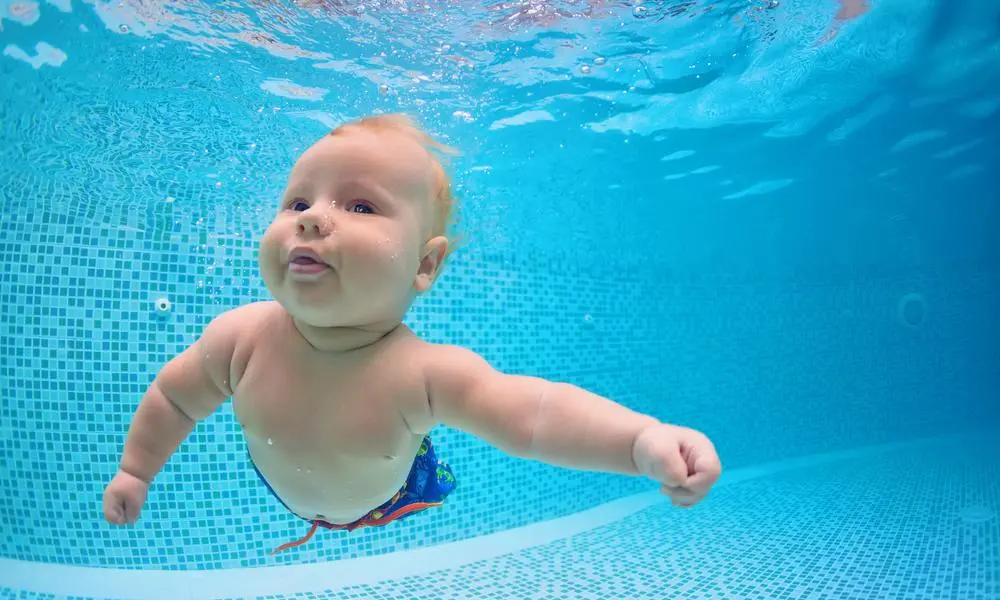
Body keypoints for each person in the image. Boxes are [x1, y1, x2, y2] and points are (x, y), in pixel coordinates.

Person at [102, 114, 722, 554]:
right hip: (283, 483)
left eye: (361, 207)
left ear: (425, 265)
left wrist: (642, 440)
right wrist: (136, 471)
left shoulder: (424, 375)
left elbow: (533, 415)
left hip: (392, 495)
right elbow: (174, 399)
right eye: (296, 203)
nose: (314, 217)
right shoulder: (238, 340)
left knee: (427, 467)